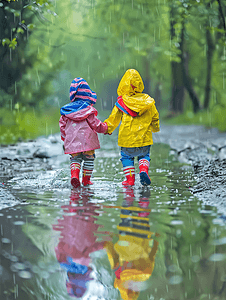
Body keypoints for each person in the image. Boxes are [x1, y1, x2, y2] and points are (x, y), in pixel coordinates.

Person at [104, 69, 160, 186]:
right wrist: (155, 127)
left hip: (127, 139)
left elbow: (114, 119)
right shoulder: (147, 101)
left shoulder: (122, 102)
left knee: (127, 158)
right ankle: (143, 170)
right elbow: (155, 117)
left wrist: (107, 128)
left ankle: (130, 180)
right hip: (144, 138)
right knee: (144, 155)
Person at [59, 77, 108, 188]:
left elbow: (62, 127)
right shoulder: (88, 110)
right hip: (88, 142)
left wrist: (65, 138)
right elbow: (96, 124)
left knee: (75, 159)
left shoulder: (66, 112)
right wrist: (105, 128)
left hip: (72, 141)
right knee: (89, 158)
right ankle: (86, 180)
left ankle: (75, 176)